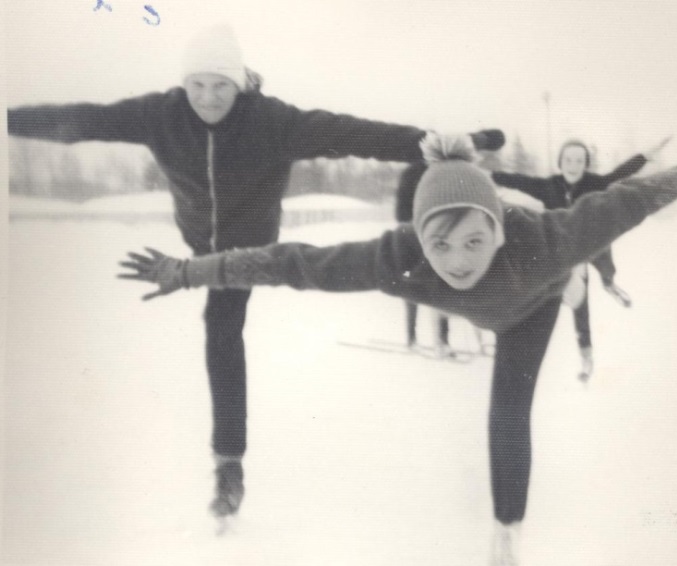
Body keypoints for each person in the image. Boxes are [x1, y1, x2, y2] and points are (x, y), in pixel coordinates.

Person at [119, 132, 677, 565]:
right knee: (493, 333)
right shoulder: (398, 258)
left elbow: (636, 196)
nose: (457, 262)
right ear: (418, 238)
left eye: (474, 242)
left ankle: (505, 531)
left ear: (498, 229)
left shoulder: (547, 235)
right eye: (441, 245)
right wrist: (190, 272)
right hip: (516, 289)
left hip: (532, 305)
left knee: (508, 412)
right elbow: (293, 262)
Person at [6, 24, 505, 519]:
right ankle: (229, 465)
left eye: (221, 85)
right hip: (200, 241)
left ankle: (228, 465)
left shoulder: (271, 121)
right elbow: (85, 120)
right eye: (197, 85)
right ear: (185, 84)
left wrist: (435, 144)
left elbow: (352, 133)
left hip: (251, 249)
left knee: (221, 330)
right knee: (220, 331)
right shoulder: (160, 114)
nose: (208, 97)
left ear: (240, 83)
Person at [490, 137, 671, 380]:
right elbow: (518, 180)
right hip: (564, 250)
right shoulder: (548, 185)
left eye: (578, 160)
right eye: (568, 160)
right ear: (560, 162)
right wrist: (487, 175)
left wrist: (646, 156)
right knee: (579, 297)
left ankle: (609, 282)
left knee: (605, 264)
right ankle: (586, 354)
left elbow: (620, 174)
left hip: (592, 241)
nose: (573, 165)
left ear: (585, 163)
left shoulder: (594, 183)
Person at [395, 162, 452, 356]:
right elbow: (401, 211)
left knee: (430, 285)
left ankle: (428, 340)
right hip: (418, 234)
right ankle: (432, 340)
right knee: (428, 284)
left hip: (423, 233)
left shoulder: (432, 173)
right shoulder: (427, 174)